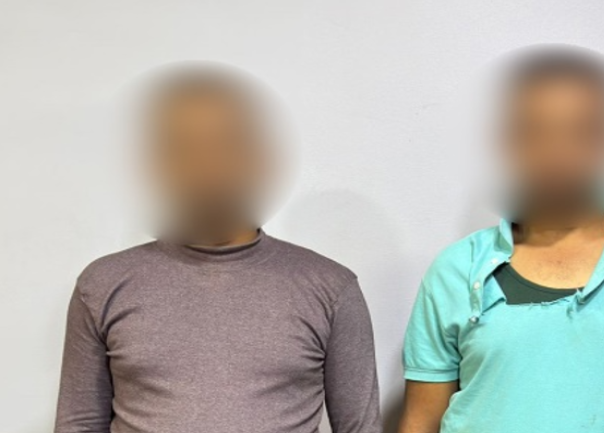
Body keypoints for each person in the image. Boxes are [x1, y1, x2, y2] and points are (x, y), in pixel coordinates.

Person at [398, 45, 604, 433]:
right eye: (536, 131)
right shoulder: (456, 269)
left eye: (580, 131)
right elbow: (420, 420)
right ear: (509, 143)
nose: (557, 152)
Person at [54, 63, 382, 433]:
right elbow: (78, 423)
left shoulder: (331, 288)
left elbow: (360, 427)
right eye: (184, 147)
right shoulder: (102, 285)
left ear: (257, 158)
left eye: (226, 143)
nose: (207, 165)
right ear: (159, 163)